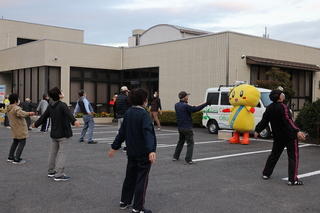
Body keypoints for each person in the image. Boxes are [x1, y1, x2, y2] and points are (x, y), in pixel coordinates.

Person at [109, 88, 156, 213]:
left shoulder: (128, 113)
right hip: (143, 153)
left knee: (130, 177)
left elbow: (122, 132)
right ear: (144, 100)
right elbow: (148, 133)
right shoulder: (144, 114)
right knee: (142, 179)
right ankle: (138, 207)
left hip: (131, 152)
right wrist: (151, 150)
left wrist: (114, 146)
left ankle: (124, 201)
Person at [254, 89, 306, 186]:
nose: (283, 95)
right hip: (289, 136)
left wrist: (257, 130)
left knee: (274, 155)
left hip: (278, 136)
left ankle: (266, 173)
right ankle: (292, 180)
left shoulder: (269, 108)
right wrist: (297, 131)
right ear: (279, 97)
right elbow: (288, 121)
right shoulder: (283, 107)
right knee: (293, 156)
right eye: (282, 94)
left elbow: (264, 121)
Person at [32, 87, 80, 181]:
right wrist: (74, 121)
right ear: (59, 95)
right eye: (61, 92)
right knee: (62, 153)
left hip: (54, 133)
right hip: (63, 133)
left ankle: (51, 171)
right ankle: (59, 174)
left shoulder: (50, 106)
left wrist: (36, 124)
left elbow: (44, 116)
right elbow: (68, 114)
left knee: (53, 153)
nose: (62, 93)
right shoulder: (62, 105)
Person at [173, 91, 210, 164]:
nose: (188, 98)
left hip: (180, 127)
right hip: (187, 127)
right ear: (185, 98)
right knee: (190, 143)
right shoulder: (185, 106)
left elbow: (193, 107)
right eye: (187, 96)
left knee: (181, 141)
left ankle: (175, 156)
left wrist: (204, 103)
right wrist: (206, 104)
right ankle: (188, 159)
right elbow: (195, 109)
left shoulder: (177, 105)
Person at [6, 93, 35, 164]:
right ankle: (17, 158)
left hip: (14, 127)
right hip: (19, 127)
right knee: (22, 142)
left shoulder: (9, 108)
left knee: (15, 141)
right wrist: (29, 113)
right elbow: (21, 113)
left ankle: (11, 156)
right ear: (16, 100)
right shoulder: (16, 108)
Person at [114, 86, 131, 151]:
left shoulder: (117, 98)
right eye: (127, 92)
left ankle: (118, 144)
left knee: (119, 131)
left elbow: (114, 107)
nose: (127, 93)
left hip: (119, 116)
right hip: (125, 116)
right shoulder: (126, 98)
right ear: (125, 92)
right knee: (126, 131)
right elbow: (130, 106)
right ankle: (125, 146)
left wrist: (115, 115)